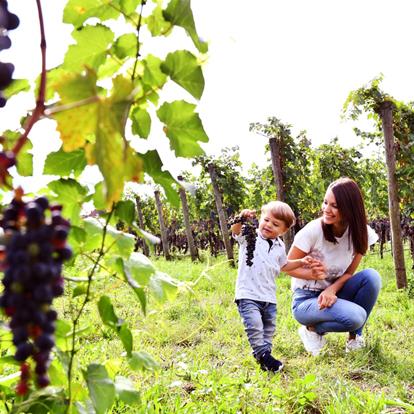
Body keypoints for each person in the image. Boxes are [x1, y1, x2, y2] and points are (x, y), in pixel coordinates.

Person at [286, 177, 381, 356]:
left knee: (372, 277)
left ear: (349, 208)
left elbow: (350, 273)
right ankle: (311, 329)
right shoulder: (313, 230)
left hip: (334, 294)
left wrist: (331, 290)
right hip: (306, 300)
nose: (326, 209)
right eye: (325, 202)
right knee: (356, 317)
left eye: (334, 206)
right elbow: (285, 266)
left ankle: (354, 339)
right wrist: (312, 275)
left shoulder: (362, 233)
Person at [231, 201, 324, 372]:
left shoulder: (280, 246)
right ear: (260, 218)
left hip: (269, 296)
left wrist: (302, 262)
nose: (268, 225)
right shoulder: (250, 236)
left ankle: (264, 357)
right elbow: (235, 231)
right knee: (254, 326)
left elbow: (284, 266)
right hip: (248, 294)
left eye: (275, 224)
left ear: (283, 230)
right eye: (266, 220)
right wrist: (241, 218)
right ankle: (263, 355)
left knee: (268, 329)